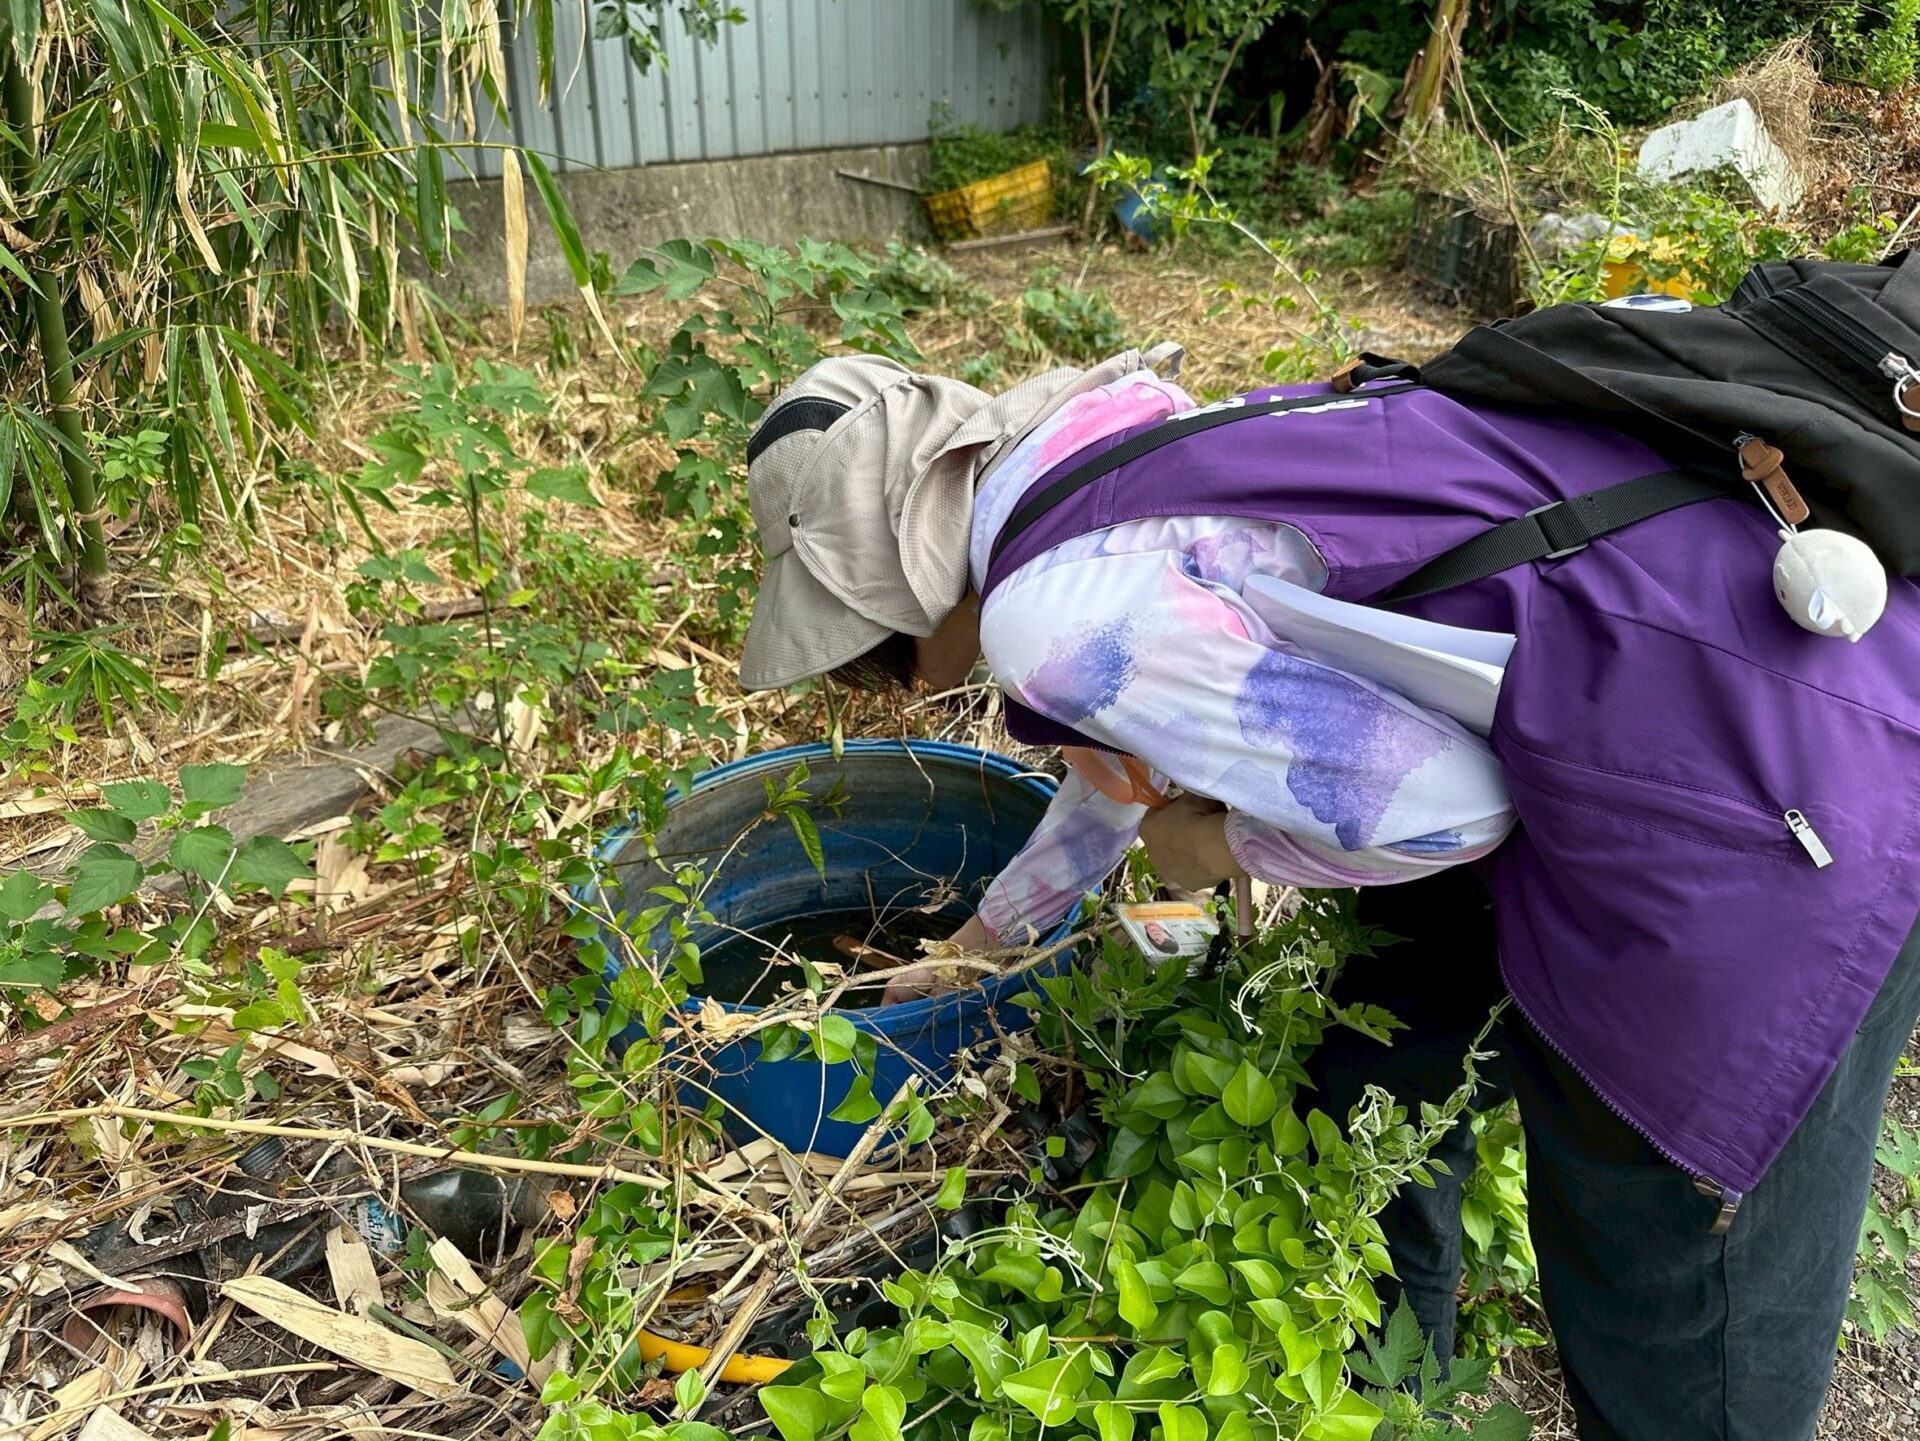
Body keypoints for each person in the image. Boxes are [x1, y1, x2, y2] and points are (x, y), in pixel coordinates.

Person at [732, 344, 1920, 1441]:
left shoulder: (1046, 612)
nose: (878, 679)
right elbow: (1122, 747)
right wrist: (982, 943)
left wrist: (1226, 849)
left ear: (884, 577)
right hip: (1707, 664)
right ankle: (1395, 1395)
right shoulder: (1092, 449)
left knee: (1671, 1325)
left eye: (857, 645)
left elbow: (1451, 809)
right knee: (1377, 1071)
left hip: (1767, 804)